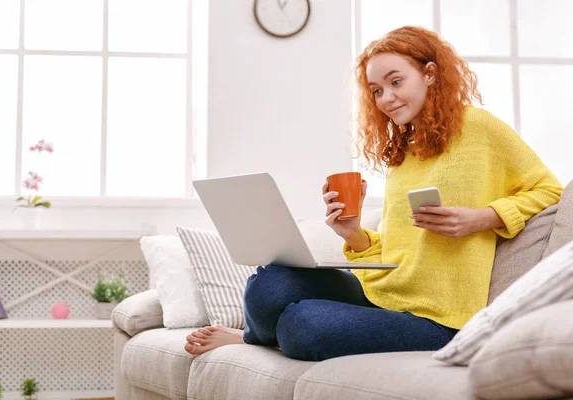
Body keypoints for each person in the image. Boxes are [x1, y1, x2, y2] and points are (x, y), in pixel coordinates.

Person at [183, 26, 563, 361]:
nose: (386, 98)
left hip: (438, 319)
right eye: (377, 90)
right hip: (380, 293)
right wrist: (352, 233)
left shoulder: (479, 128)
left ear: (430, 74)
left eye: (396, 82)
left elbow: (550, 190)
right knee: (268, 282)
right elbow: (398, 253)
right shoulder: (403, 152)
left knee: (303, 325)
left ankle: (256, 337)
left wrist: (482, 218)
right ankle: (253, 335)